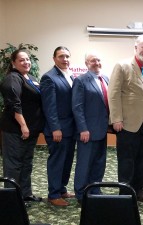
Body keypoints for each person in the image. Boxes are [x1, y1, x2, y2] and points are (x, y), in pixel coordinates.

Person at [108, 34, 143, 203]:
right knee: (126, 161)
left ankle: (138, 191)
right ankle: (124, 194)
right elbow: (113, 94)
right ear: (136, 48)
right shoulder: (122, 66)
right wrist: (116, 119)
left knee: (142, 160)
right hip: (127, 124)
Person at [0, 49, 44, 205]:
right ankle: (12, 199)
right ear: (13, 63)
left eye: (28, 59)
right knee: (14, 165)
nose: (26, 62)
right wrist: (24, 126)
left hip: (30, 130)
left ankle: (25, 194)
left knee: (26, 163)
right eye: (21, 60)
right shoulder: (12, 78)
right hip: (15, 130)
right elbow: (14, 104)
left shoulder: (30, 78)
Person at [40, 46, 76, 207]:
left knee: (67, 161)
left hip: (70, 128)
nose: (65, 59)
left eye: (67, 56)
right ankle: (53, 194)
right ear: (54, 58)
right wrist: (55, 128)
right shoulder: (49, 78)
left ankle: (61, 189)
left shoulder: (71, 75)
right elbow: (49, 106)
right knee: (57, 161)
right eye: (61, 56)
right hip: (57, 129)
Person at [72, 52, 109, 205]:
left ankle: (95, 189)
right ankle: (81, 193)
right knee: (84, 163)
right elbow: (77, 107)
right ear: (86, 63)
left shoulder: (105, 79)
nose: (96, 62)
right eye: (93, 60)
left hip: (103, 129)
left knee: (99, 162)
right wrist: (83, 129)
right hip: (87, 131)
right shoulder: (81, 80)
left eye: (99, 59)